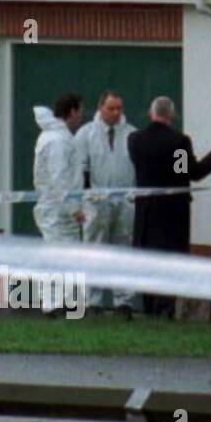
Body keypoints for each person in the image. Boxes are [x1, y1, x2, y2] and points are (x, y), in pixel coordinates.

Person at [127, 96, 211, 318]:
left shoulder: (134, 140)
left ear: (151, 114)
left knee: (146, 259)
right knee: (171, 260)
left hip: (146, 211)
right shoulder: (179, 142)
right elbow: (188, 173)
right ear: (171, 115)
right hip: (173, 213)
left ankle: (149, 306)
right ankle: (166, 308)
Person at [74, 91, 138, 316]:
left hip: (125, 200)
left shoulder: (131, 134)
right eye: (111, 108)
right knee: (94, 250)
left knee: (123, 250)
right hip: (96, 201)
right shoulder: (85, 134)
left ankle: (124, 301)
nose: (116, 112)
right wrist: (83, 201)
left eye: (119, 108)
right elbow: (80, 168)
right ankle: (94, 301)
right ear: (101, 108)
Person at [32, 93, 85, 314]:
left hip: (55, 207)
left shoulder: (53, 137)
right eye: (80, 111)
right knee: (57, 256)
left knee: (63, 255)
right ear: (72, 111)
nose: (81, 116)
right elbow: (60, 178)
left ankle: (60, 302)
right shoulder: (58, 141)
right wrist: (74, 209)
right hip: (57, 209)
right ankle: (51, 305)